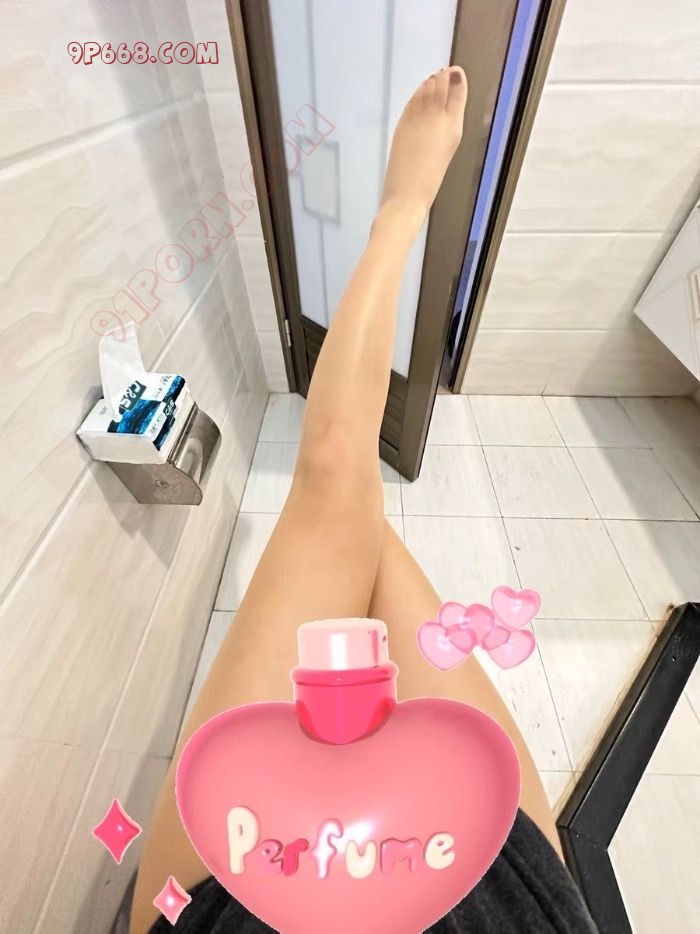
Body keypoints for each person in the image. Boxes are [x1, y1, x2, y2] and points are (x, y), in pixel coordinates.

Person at [130, 66, 595, 933]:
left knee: (340, 480)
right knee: (350, 513)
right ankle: (401, 217)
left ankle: (398, 215)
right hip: (493, 897)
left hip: (244, 894)